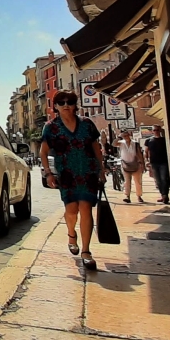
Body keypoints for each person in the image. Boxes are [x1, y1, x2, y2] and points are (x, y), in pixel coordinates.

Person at [40, 90, 105, 271]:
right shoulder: (51, 127)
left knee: (85, 208)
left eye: (70, 101)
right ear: (56, 107)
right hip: (67, 173)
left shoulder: (87, 124)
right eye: (61, 102)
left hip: (88, 171)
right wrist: (48, 173)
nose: (66, 105)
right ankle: (71, 234)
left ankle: (86, 251)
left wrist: (101, 169)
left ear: (76, 104)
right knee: (71, 210)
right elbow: (43, 152)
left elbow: (96, 147)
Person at [144, 127, 170, 205]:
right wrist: (146, 161)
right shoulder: (148, 141)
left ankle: (165, 195)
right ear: (152, 131)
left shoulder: (164, 140)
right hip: (154, 162)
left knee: (164, 179)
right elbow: (146, 151)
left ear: (160, 131)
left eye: (157, 130)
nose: (156, 131)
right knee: (158, 180)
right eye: (154, 130)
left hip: (164, 162)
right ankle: (163, 195)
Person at [117, 133, 145, 203]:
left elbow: (139, 154)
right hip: (125, 165)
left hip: (136, 164)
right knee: (127, 182)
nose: (125, 137)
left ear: (129, 135)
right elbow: (113, 144)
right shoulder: (121, 143)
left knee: (138, 182)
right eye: (124, 136)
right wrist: (119, 136)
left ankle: (139, 196)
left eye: (126, 135)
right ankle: (127, 196)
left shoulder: (135, 143)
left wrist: (142, 164)